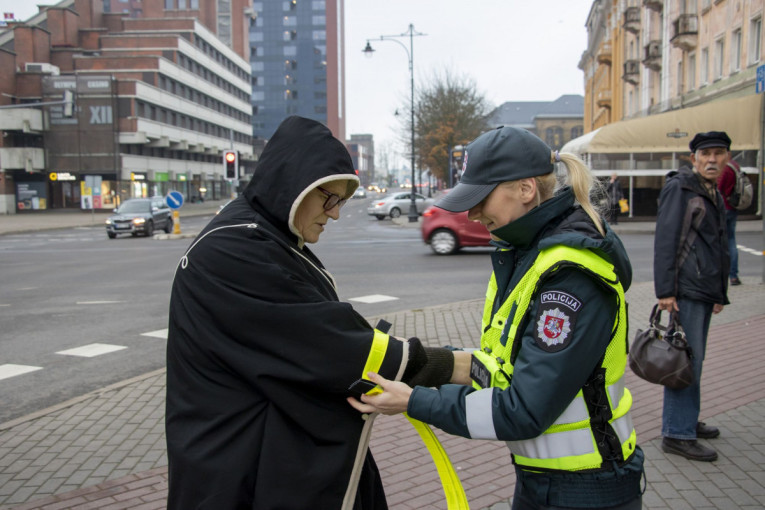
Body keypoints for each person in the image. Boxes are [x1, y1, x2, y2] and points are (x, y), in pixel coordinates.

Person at [165, 116, 455, 509]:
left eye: (341, 201)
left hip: (252, 462)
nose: (334, 213)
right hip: (243, 476)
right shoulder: (234, 253)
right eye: (328, 198)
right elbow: (336, 350)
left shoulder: (257, 236)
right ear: (292, 187)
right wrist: (460, 365)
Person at [350, 126, 644, 510]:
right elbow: (502, 367)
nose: (472, 214)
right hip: (546, 480)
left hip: (587, 489)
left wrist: (416, 401)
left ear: (525, 190)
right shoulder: (528, 256)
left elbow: (523, 410)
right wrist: (421, 363)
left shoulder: (569, 278)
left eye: (481, 198)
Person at [654, 130, 730, 462]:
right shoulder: (682, 188)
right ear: (694, 158)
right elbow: (666, 240)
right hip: (685, 290)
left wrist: (719, 293)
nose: (712, 159)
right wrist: (665, 291)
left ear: (727, 158)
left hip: (702, 289)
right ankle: (676, 433)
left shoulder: (711, 191)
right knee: (684, 363)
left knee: (694, 361)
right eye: (706, 154)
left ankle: (686, 421)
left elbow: (718, 248)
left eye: (719, 153)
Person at [717, 159, 742, 285]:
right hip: (732, 207)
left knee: (717, 241)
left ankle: (720, 276)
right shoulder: (735, 166)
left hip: (723, 207)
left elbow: (718, 187)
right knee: (731, 240)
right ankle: (733, 276)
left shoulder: (724, 168)